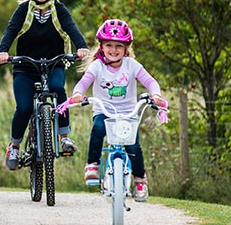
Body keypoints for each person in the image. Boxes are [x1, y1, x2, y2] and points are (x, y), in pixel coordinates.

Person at [0, 0, 90, 171]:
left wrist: (82, 47)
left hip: (54, 63)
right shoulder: (23, 10)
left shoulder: (59, 10)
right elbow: (10, 31)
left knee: (58, 89)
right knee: (24, 107)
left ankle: (64, 138)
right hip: (25, 66)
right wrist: (3, 51)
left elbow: (71, 28)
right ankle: (14, 146)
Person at [56, 19, 167, 202]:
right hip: (104, 110)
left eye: (118, 46)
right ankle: (92, 165)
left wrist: (156, 94)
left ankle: (140, 180)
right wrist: (77, 93)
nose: (113, 50)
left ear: (126, 48)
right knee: (98, 128)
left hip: (128, 114)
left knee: (133, 147)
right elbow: (84, 82)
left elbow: (150, 82)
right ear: (101, 46)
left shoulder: (132, 65)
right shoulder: (97, 66)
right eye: (109, 45)